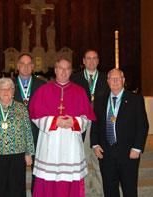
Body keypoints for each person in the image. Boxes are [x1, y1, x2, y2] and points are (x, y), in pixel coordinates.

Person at [29, 58, 96, 197]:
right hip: (49, 142)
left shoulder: (80, 91)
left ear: (71, 71)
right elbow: (35, 116)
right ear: (55, 70)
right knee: (49, 178)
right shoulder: (43, 90)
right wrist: (54, 121)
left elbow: (87, 118)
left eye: (67, 69)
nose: (64, 72)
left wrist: (74, 121)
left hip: (71, 142)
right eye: (61, 68)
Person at [90, 68, 149, 197]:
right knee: (109, 190)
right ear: (108, 81)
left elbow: (143, 126)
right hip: (106, 153)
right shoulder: (100, 100)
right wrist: (95, 144)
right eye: (112, 79)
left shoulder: (135, 99)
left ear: (123, 80)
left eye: (118, 78)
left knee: (129, 190)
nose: (115, 81)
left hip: (128, 153)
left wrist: (137, 148)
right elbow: (96, 124)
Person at [0, 78, 35, 197]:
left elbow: (28, 132)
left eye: (8, 89)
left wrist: (29, 153)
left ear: (13, 92)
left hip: (18, 154)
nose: (5, 92)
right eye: (2, 89)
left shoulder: (21, 109)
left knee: (17, 188)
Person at [70, 49, 109, 196]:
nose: (92, 61)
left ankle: (100, 193)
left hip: (101, 126)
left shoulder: (107, 79)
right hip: (83, 126)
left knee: (100, 160)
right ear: (83, 61)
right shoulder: (75, 79)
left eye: (94, 58)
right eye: (89, 58)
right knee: (84, 160)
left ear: (98, 61)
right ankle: (84, 192)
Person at [13, 53, 46, 194]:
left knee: (37, 172)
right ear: (17, 66)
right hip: (16, 137)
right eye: (22, 63)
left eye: (28, 64)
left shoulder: (42, 85)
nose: (25, 67)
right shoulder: (9, 85)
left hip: (37, 135)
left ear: (33, 66)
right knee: (17, 173)